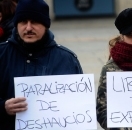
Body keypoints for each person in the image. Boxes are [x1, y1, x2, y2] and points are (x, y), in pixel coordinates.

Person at [0, 0, 83, 129]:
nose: (28, 28)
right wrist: (3, 106)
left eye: (34, 22)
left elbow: (80, 107)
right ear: (16, 25)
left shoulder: (66, 59)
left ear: (46, 25)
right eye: (23, 22)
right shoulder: (2, 54)